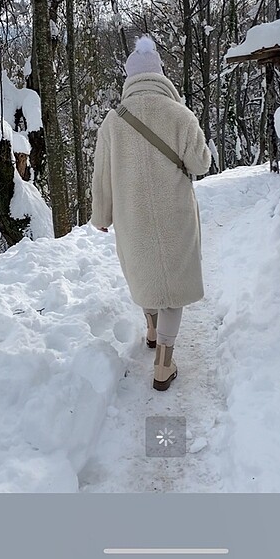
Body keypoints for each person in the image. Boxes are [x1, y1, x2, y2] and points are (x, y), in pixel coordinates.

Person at [90, 35, 211, 390]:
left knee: (145, 274)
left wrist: (102, 216)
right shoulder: (180, 114)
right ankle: (164, 362)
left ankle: (151, 328)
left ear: (129, 79)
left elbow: (102, 176)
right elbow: (200, 164)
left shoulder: (113, 122)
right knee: (173, 286)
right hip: (176, 215)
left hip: (133, 218)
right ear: (161, 76)